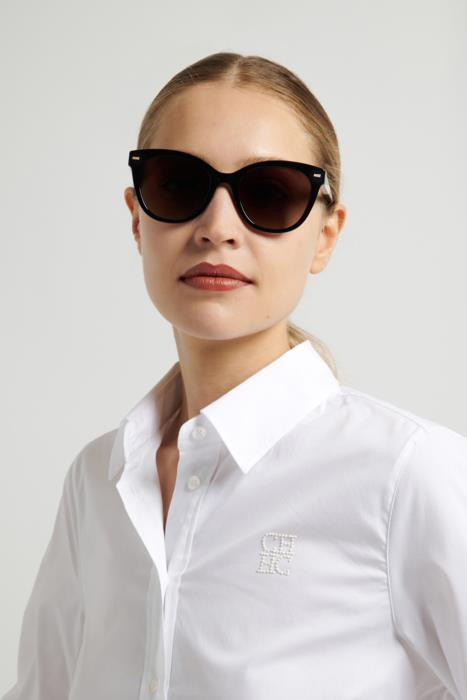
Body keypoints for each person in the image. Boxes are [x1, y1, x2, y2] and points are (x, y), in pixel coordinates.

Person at [3, 52, 467, 700]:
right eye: (178, 185)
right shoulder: (96, 482)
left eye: (269, 193)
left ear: (325, 235)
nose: (217, 229)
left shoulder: (408, 475)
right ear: (137, 217)